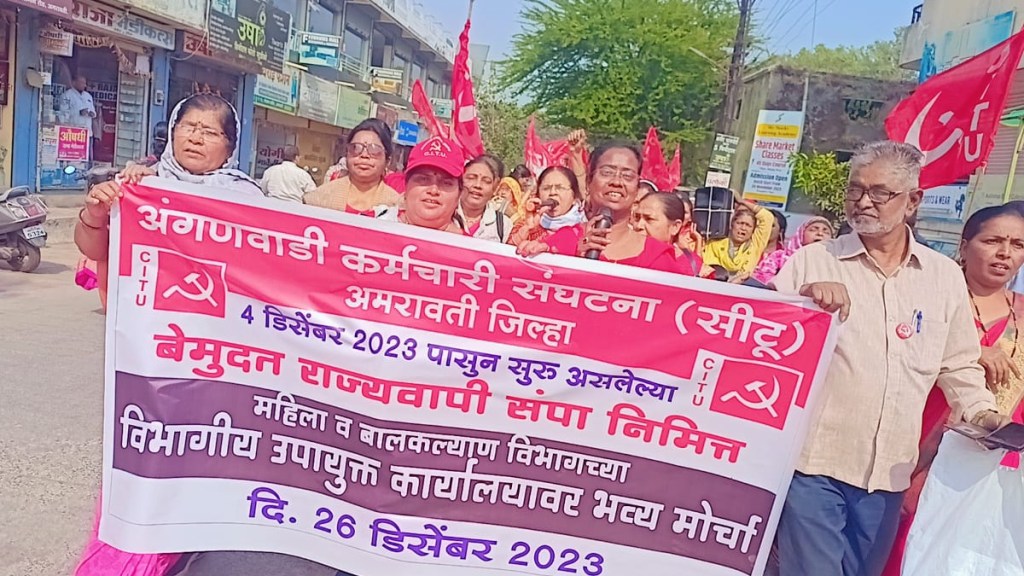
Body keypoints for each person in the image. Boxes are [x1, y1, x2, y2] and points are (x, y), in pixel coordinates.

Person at [770, 141, 1007, 576]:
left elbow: (958, 364)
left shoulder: (942, 277)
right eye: (855, 189)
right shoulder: (811, 263)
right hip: (813, 467)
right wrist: (802, 306)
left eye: (880, 193)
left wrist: (984, 415)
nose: (863, 202)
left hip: (890, 475)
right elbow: (765, 345)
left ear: (913, 201)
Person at [882, 203, 1024, 576]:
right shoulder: (932, 299)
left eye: (1017, 244)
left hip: (991, 465)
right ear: (964, 246)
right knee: (905, 547)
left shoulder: (1022, 312)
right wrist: (970, 353)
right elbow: (894, 352)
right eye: (992, 240)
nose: (1005, 253)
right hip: (917, 448)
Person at [75, 94, 261, 312]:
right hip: (148, 328)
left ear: (230, 146)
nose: (195, 138)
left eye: (210, 132)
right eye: (188, 126)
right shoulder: (141, 186)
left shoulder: (248, 199)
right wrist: (95, 215)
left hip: (220, 328)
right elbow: (95, 251)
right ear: (173, 132)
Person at [516, 140, 684, 274]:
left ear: (637, 189)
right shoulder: (560, 242)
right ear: (589, 182)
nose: (616, 182)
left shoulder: (657, 256)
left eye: (627, 175)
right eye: (607, 172)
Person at [304, 118, 400, 216]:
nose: (364, 155)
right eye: (356, 148)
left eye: (374, 149)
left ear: (387, 160)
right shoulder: (320, 198)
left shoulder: (396, 207)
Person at [376, 135, 466, 233]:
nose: (433, 190)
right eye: (423, 179)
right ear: (406, 185)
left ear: (459, 194)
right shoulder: (369, 226)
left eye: (446, 183)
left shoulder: (471, 246)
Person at [701, 190, 774, 280]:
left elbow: (767, 217)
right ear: (732, 224)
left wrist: (741, 201)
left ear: (753, 230)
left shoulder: (755, 244)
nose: (743, 228)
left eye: (748, 225)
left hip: (740, 290)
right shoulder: (715, 243)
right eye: (740, 223)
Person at [633, 192, 708, 277]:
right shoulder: (620, 255)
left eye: (649, 219)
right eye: (637, 217)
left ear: (675, 227)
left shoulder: (693, 268)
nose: (639, 226)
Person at [507, 166, 586, 246]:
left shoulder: (584, 232)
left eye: (560, 188)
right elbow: (504, 255)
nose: (552, 192)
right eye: (546, 188)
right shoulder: (524, 225)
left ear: (574, 197)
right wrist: (527, 228)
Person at [752, 216, 834, 285]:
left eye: (826, 231)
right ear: (801, 235)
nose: (820, 233)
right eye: (813, 229)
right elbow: (762, 277)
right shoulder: (780, 256)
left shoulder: (834, 263)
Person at [458, 154, 512, 242]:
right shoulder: (444, 215)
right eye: (471, 178)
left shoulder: (504, 225)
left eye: (486, 181)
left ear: (494, 188)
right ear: (460, 181)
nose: (478, 185)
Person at [60, 74, 97, 160]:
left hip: (87, 131)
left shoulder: (88, 96)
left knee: (87, 156)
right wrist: (78, 112)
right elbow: (63, 113)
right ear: (74, 83)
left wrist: (92, 113)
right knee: (73, 156)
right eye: (81, 82)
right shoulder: (67, 95)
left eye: (85, 83)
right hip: (73, 133)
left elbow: (93, 111)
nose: (84, 85)